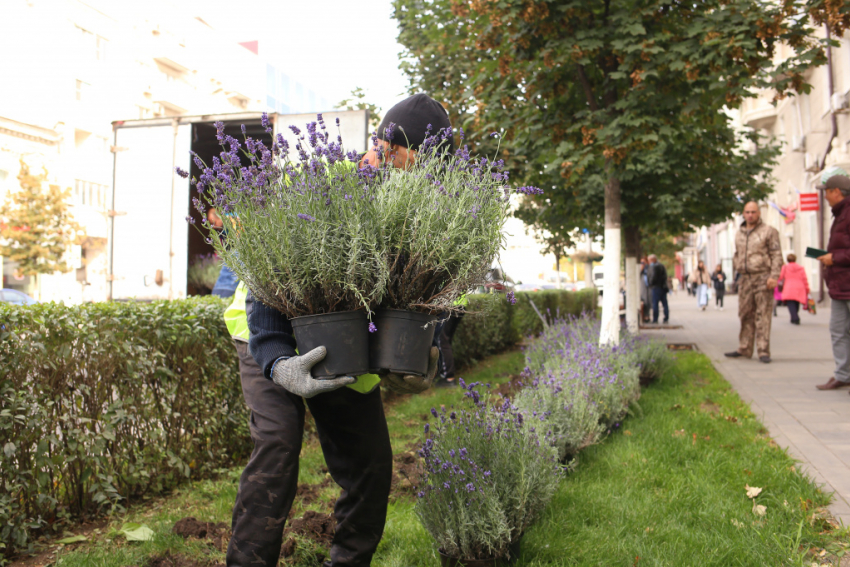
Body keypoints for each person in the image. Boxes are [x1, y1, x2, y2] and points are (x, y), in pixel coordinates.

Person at [225, 93, 454, 567]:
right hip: (266, 336)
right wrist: (276, 360)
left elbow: (440, 298)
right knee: (278, 447)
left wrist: (430, 348)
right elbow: (269, 274)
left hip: (342, 349)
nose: (408, 173)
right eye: (398, 157)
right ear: (383, 146)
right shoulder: (323, 183)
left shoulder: (430, 216)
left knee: (370, 468)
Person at [725, 201, 783, 363]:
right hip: (745, 278)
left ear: (759, 213)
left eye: (753, 212)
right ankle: (744, 348)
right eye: (747, 212)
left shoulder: (769, 232)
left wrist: (774, 276)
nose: (750, 215)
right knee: (744, 314)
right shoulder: (740, 233)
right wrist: (737, 268)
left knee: (762, 314)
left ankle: (763, 350)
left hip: (763, 277)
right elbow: (737, 253)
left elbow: (776, 255)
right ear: (743, 214)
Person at [816, 175, 850, 391]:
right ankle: (843, 374)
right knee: (837, 330)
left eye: (826, 191)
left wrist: (834, 258)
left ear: (837, 191)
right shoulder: (839, 214)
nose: (825, 196)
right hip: (839, 286)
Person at [778, 254, 809, 325]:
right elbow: (804, 279)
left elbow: (780, 277)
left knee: (790, 303)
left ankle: (795, 318)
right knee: (796, 302)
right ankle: (794, 317)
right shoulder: (800, 267)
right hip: (799, 287)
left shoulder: (785, 267)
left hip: (789, 287)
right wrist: (807, 289)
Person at [647, 254, 669, 324]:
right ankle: (666, 318)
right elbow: (665, 276)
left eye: (649, 260)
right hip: (663, 287)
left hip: (656, 287)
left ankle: (655, 319)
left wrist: (650, 283)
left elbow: (653, 277)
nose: (649, 262)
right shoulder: (662, 266)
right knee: (664, 304)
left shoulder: (654, 267)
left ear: (653, 259)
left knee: (655, 304)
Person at [639, 257, 651, 323]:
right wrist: (641, 268)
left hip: (648, 287)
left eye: (643, 262)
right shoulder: (639, 269)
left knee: (647, 302)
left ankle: (647, 315)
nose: (642, 264)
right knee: (643, 301)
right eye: (641, 263)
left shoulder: (648, 268)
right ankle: (644, 316)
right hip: (641, 287)